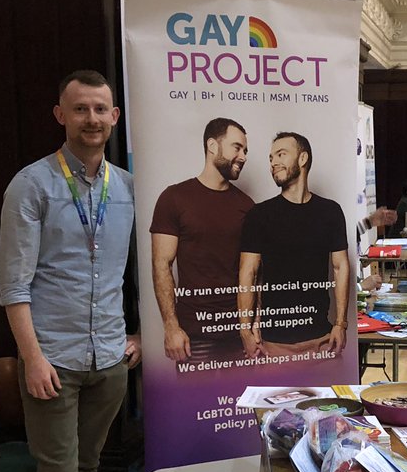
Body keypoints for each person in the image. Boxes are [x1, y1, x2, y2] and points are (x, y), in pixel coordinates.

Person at [0, 70, 141, 472]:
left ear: (113, 117)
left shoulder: (127, 187)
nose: (91, 120)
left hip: (109, 359)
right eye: (79, 109)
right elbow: (13, 284)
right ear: (61, 115)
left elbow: (144, 272)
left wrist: (137, 336)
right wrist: (31, 359)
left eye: (101, 110)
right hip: (52, 361)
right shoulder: (31, 186)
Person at [238, 132, 350, 358]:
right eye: (271, 158)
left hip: (322, 339)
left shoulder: (330, 212)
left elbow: (340, 267)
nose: (273, 163)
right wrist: (245, 330)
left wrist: (340, 324)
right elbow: (248, 273)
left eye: (281, 154)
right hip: (273, 344)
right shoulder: (259, 215)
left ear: (302, 159)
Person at [150, 118, 253, 364]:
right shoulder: (174, 198)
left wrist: (251, 328)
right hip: (194, 335)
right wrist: (171, 328)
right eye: (237, 147)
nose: (243, 156)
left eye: (246, 150)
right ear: (212, 146)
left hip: (238, 336)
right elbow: (161, 265)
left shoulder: (247, 206)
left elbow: (254, 274)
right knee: (195, 403)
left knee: (242, 403)